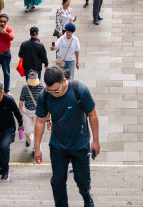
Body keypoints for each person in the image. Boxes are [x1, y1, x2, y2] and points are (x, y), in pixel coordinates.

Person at [34, 67, 100, 207]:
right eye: (49, 90)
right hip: (58, 146)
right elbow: (40, 121)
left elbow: (92, 115)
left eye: (56, 91)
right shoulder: (44, 96)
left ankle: (86, 195)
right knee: (58, 181)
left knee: (82, 180)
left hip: (79, 144)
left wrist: (96, 140)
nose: (53, 94)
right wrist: (37, 147)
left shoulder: (79, 90)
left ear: (65, 81)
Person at [19, 70, 44, 149]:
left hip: (37, 113)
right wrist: (20, 115)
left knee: (37, 132)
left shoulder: (41, 87)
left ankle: (36, 148)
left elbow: (44, 101)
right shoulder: (25, 88)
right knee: (27, 131)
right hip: (27, 112)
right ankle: (29, 140)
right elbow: (21, 101)